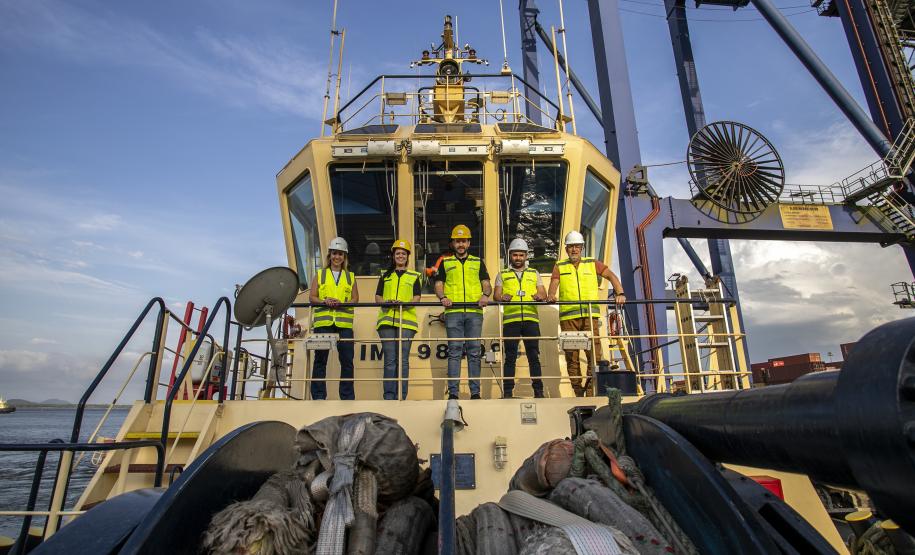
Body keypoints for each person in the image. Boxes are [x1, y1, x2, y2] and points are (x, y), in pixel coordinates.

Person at [547, 230, 626, 397]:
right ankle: (577, 391)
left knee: (594, 356)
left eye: (577, 246)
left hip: (590, 317)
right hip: (569, 318)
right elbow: (553, 285)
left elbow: (611, 275)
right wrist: (551, 295)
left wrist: (620, 293)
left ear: (582, 248)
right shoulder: (560, 266)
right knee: (572, 356)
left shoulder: (592, 263)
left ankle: (590, 392)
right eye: (571, 247)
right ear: (566, 249)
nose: (574, 250)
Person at [434, 224, 492, 400]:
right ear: (453, 243)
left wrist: (485, 295)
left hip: (474, 312)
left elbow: (486, 283)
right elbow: (438, 284)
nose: (461, 244)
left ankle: (475, 393)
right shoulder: (445, 262)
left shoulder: (477, 262)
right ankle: (453, 393)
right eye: (457, 241)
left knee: (474, 351)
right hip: (453, 312)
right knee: (455, 351)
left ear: (468, 243)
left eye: (464, 241)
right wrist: (442, 297)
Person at [494, 238, 546, 398]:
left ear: (526, 256)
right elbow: (496, 295)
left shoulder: (534, 273)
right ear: (510, 256)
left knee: (533, 357)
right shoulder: (502, 274)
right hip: (511, 321)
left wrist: (539, 296)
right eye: (515, 255)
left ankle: (539, 392)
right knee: (510, 357)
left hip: (531, 320)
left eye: (521, 255)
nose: (518, 258)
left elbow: (543, 293)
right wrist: (503, 297)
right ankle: (508, 392)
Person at [309, 236, 358, 400]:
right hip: (324, 323)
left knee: (347, 361)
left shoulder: (350, 276)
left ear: (345, 257)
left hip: (344, 325)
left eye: (341, 254)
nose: (337, 257)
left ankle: (347, 396)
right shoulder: (320, 274)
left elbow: (355, 299)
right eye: (335, 254)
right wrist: (325, 301)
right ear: (330, 255)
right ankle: (318, 395)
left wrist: (342, 303)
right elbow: (312, 297)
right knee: (320, 359)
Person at [375, 239, 422, 400]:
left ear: (407, 257)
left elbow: (417, 297)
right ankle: (389, 395)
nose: (400, 256)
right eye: (397, 253)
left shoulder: (415, 276)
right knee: (390, 360)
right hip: (387, 321)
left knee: (403, 360)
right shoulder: (385, 275)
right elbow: (378, 296)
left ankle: (401, 395)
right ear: (393, 256)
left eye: (403, 253)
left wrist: (405, 304)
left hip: (406, 322)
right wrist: (386, 303)